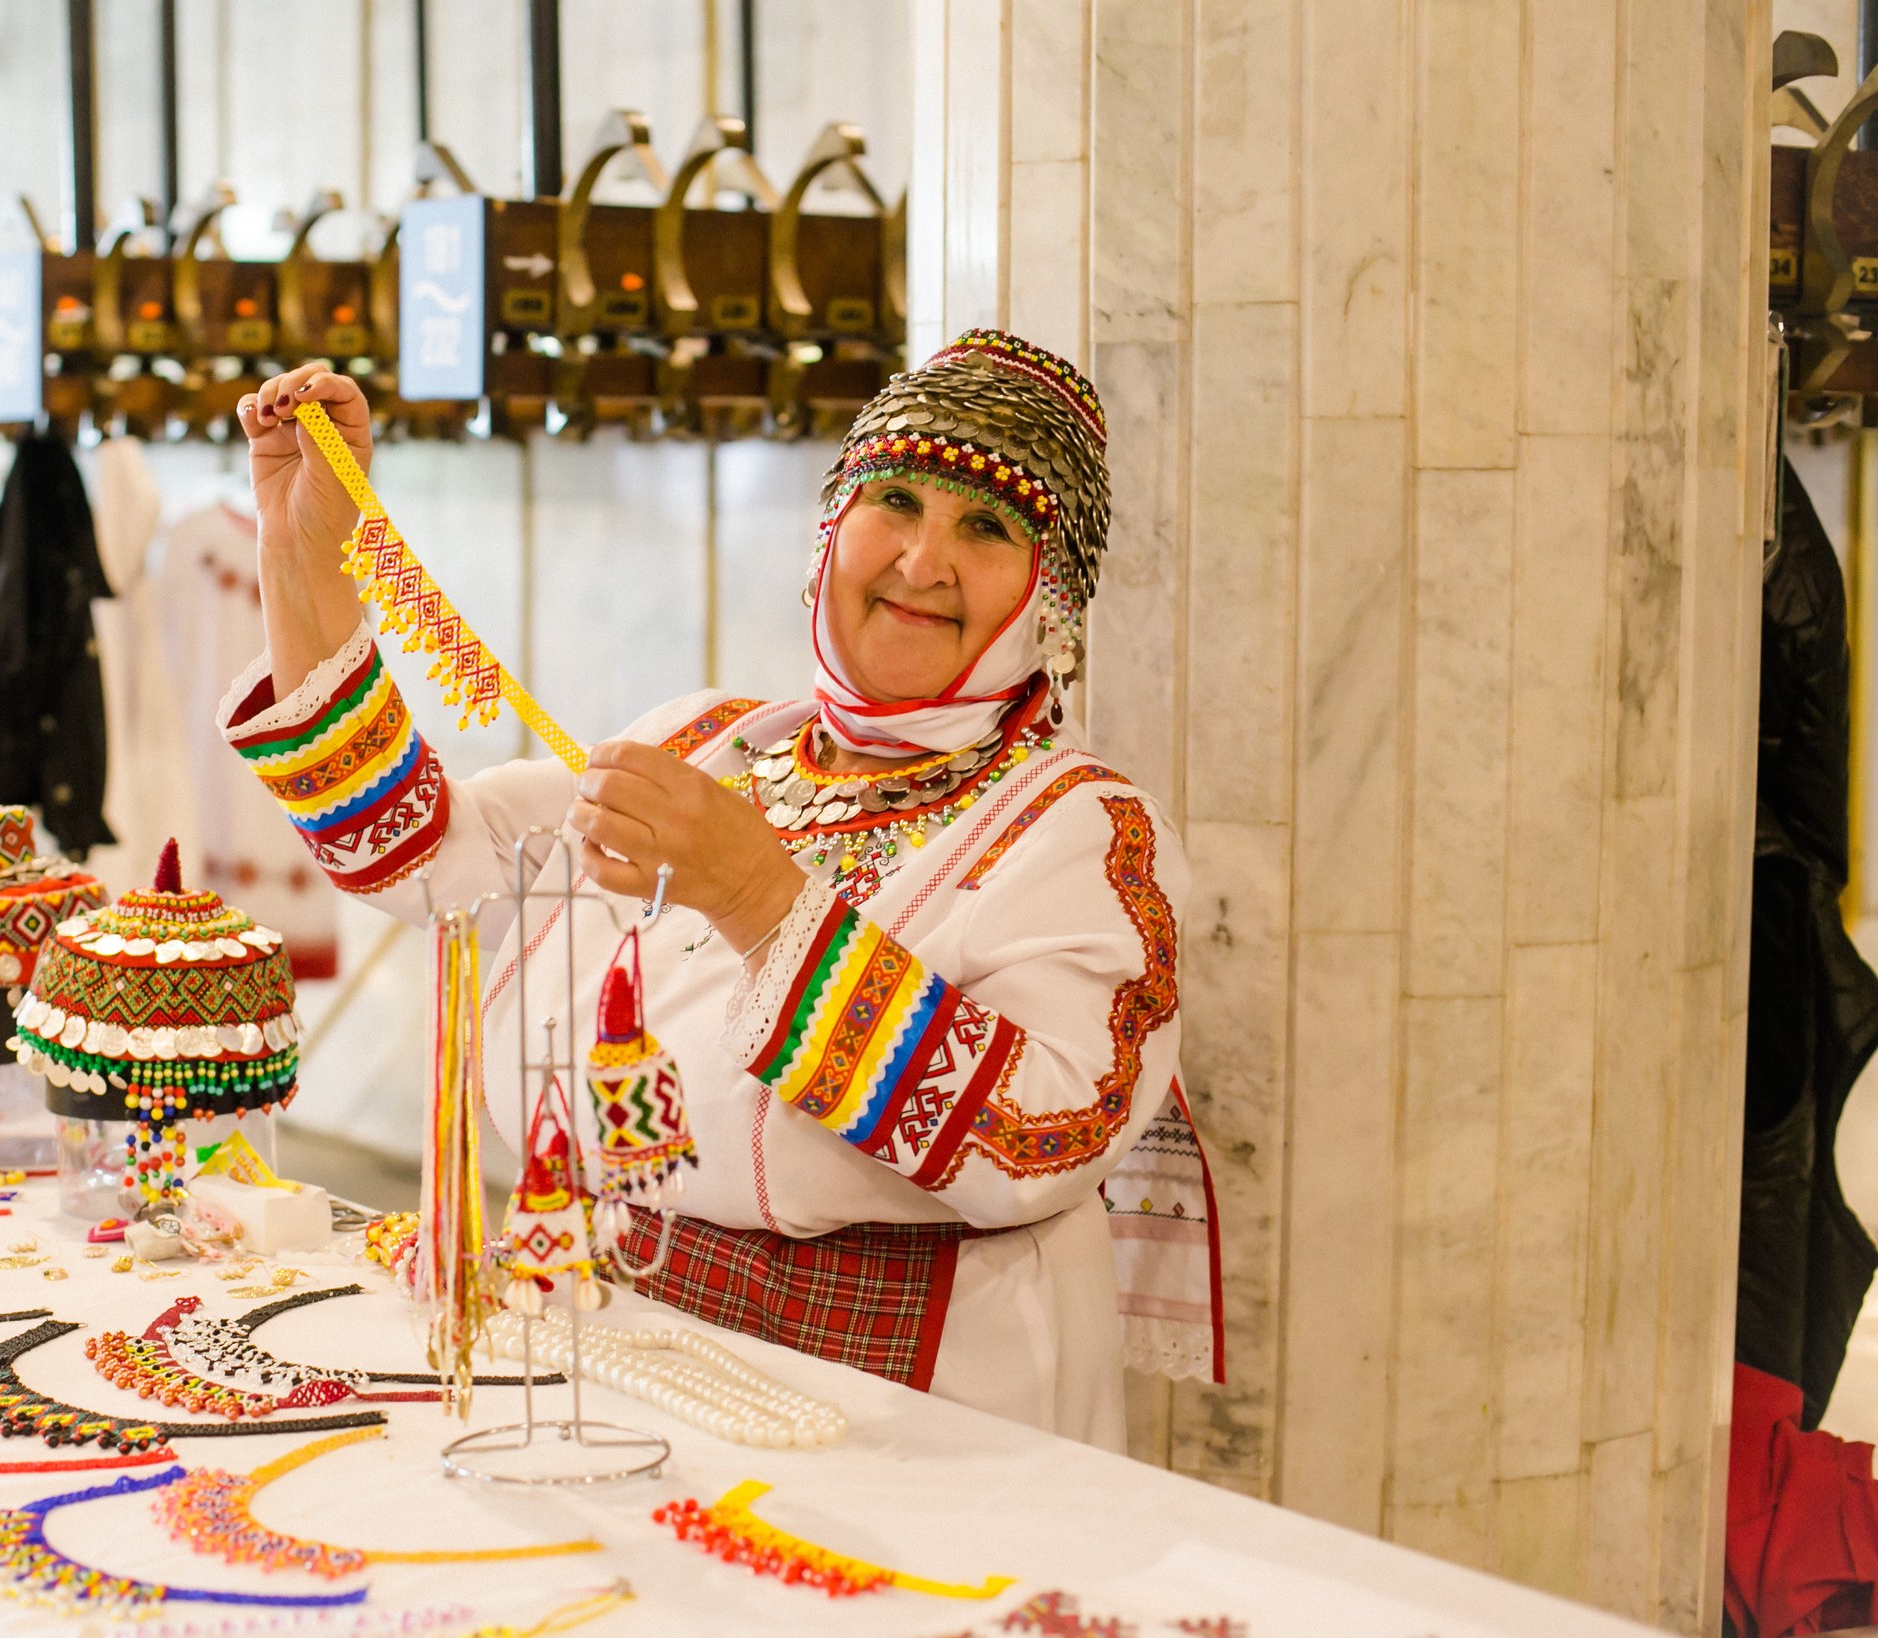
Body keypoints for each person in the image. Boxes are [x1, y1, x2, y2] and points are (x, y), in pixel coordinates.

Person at [222, 329, 1184, 1450]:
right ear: (829, 533)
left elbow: (1046, 1137)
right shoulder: (707, 743)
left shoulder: (1076, 827)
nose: (924, 562)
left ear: (1050, 598)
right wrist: (302, 566)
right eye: (897, 503)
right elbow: (416, 860)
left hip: (909, 1397)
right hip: (608, 1334)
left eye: (988, 527)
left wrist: (762, 902)